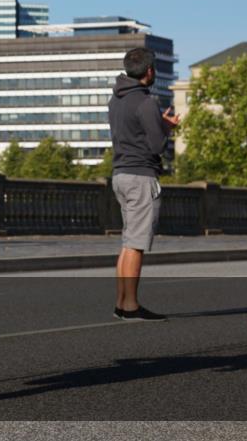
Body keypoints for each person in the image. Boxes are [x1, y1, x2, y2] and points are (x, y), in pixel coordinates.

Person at [108, 47, 179, 322]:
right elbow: (157, 145)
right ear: (150, 71)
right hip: (141, 176)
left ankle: (122, 303)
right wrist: (166, 127)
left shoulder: (116, 99)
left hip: (120, 173)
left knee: (128, 243)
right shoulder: (147, 102)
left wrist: (157, 123)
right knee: (136, 244)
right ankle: (132, 305)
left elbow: (131, 129)